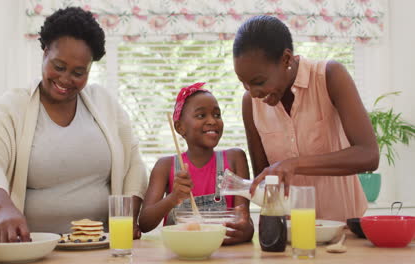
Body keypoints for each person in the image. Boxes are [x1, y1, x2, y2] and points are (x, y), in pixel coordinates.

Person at [0, 7, 147, 242]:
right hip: (29, 248)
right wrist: (3, 207)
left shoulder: (105, 103)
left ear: (90, 69)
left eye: (78, 72)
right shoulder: (9, 107)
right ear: (44, 53)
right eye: (59, 66)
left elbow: (134, 162)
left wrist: (128, 216)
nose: (65, 79)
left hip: (100, 247)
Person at [233, 15, 379, 222]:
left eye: (258, 81)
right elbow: (265, 180)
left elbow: (369, 155)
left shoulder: (329, 76)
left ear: (286, 59)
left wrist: (295, 164)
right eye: (244, 83)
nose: (253, 92)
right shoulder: (250, 103)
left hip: (343, 230)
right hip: (291, 235)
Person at [138, 82, 254, 245]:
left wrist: (247, 230)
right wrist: (173, 198)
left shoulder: (235, 158)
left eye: (217, 114)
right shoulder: (165, 166)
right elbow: (144, 223)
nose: (212, 121)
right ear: (180, 127)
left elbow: (243, 220)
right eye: (201, 116)